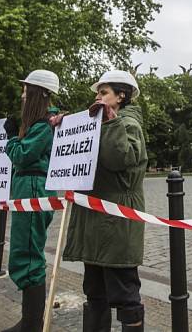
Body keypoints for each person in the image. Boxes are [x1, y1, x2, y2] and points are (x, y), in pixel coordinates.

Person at [62, 70, 147, 332]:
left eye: (103, 92)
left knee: (124, 294)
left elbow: (118, 160)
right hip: (96, 222)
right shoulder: (100, 123)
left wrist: (110, 124)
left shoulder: (128, 124)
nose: (98, 98)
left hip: (115, 223)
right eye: (98, 93)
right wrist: (64, 131)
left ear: (121, 96)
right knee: (95, 292)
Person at [1, 70, 61, 332]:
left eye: (27, 90)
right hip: (28, 188)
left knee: (28, 254)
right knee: (22, 253)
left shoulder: (44, 125)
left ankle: (32, 324)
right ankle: (29, 320)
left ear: (38, 93)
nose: (23, 95)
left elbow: (22, 155)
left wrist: (12, 137)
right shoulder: (39, 123)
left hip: (35, 188)